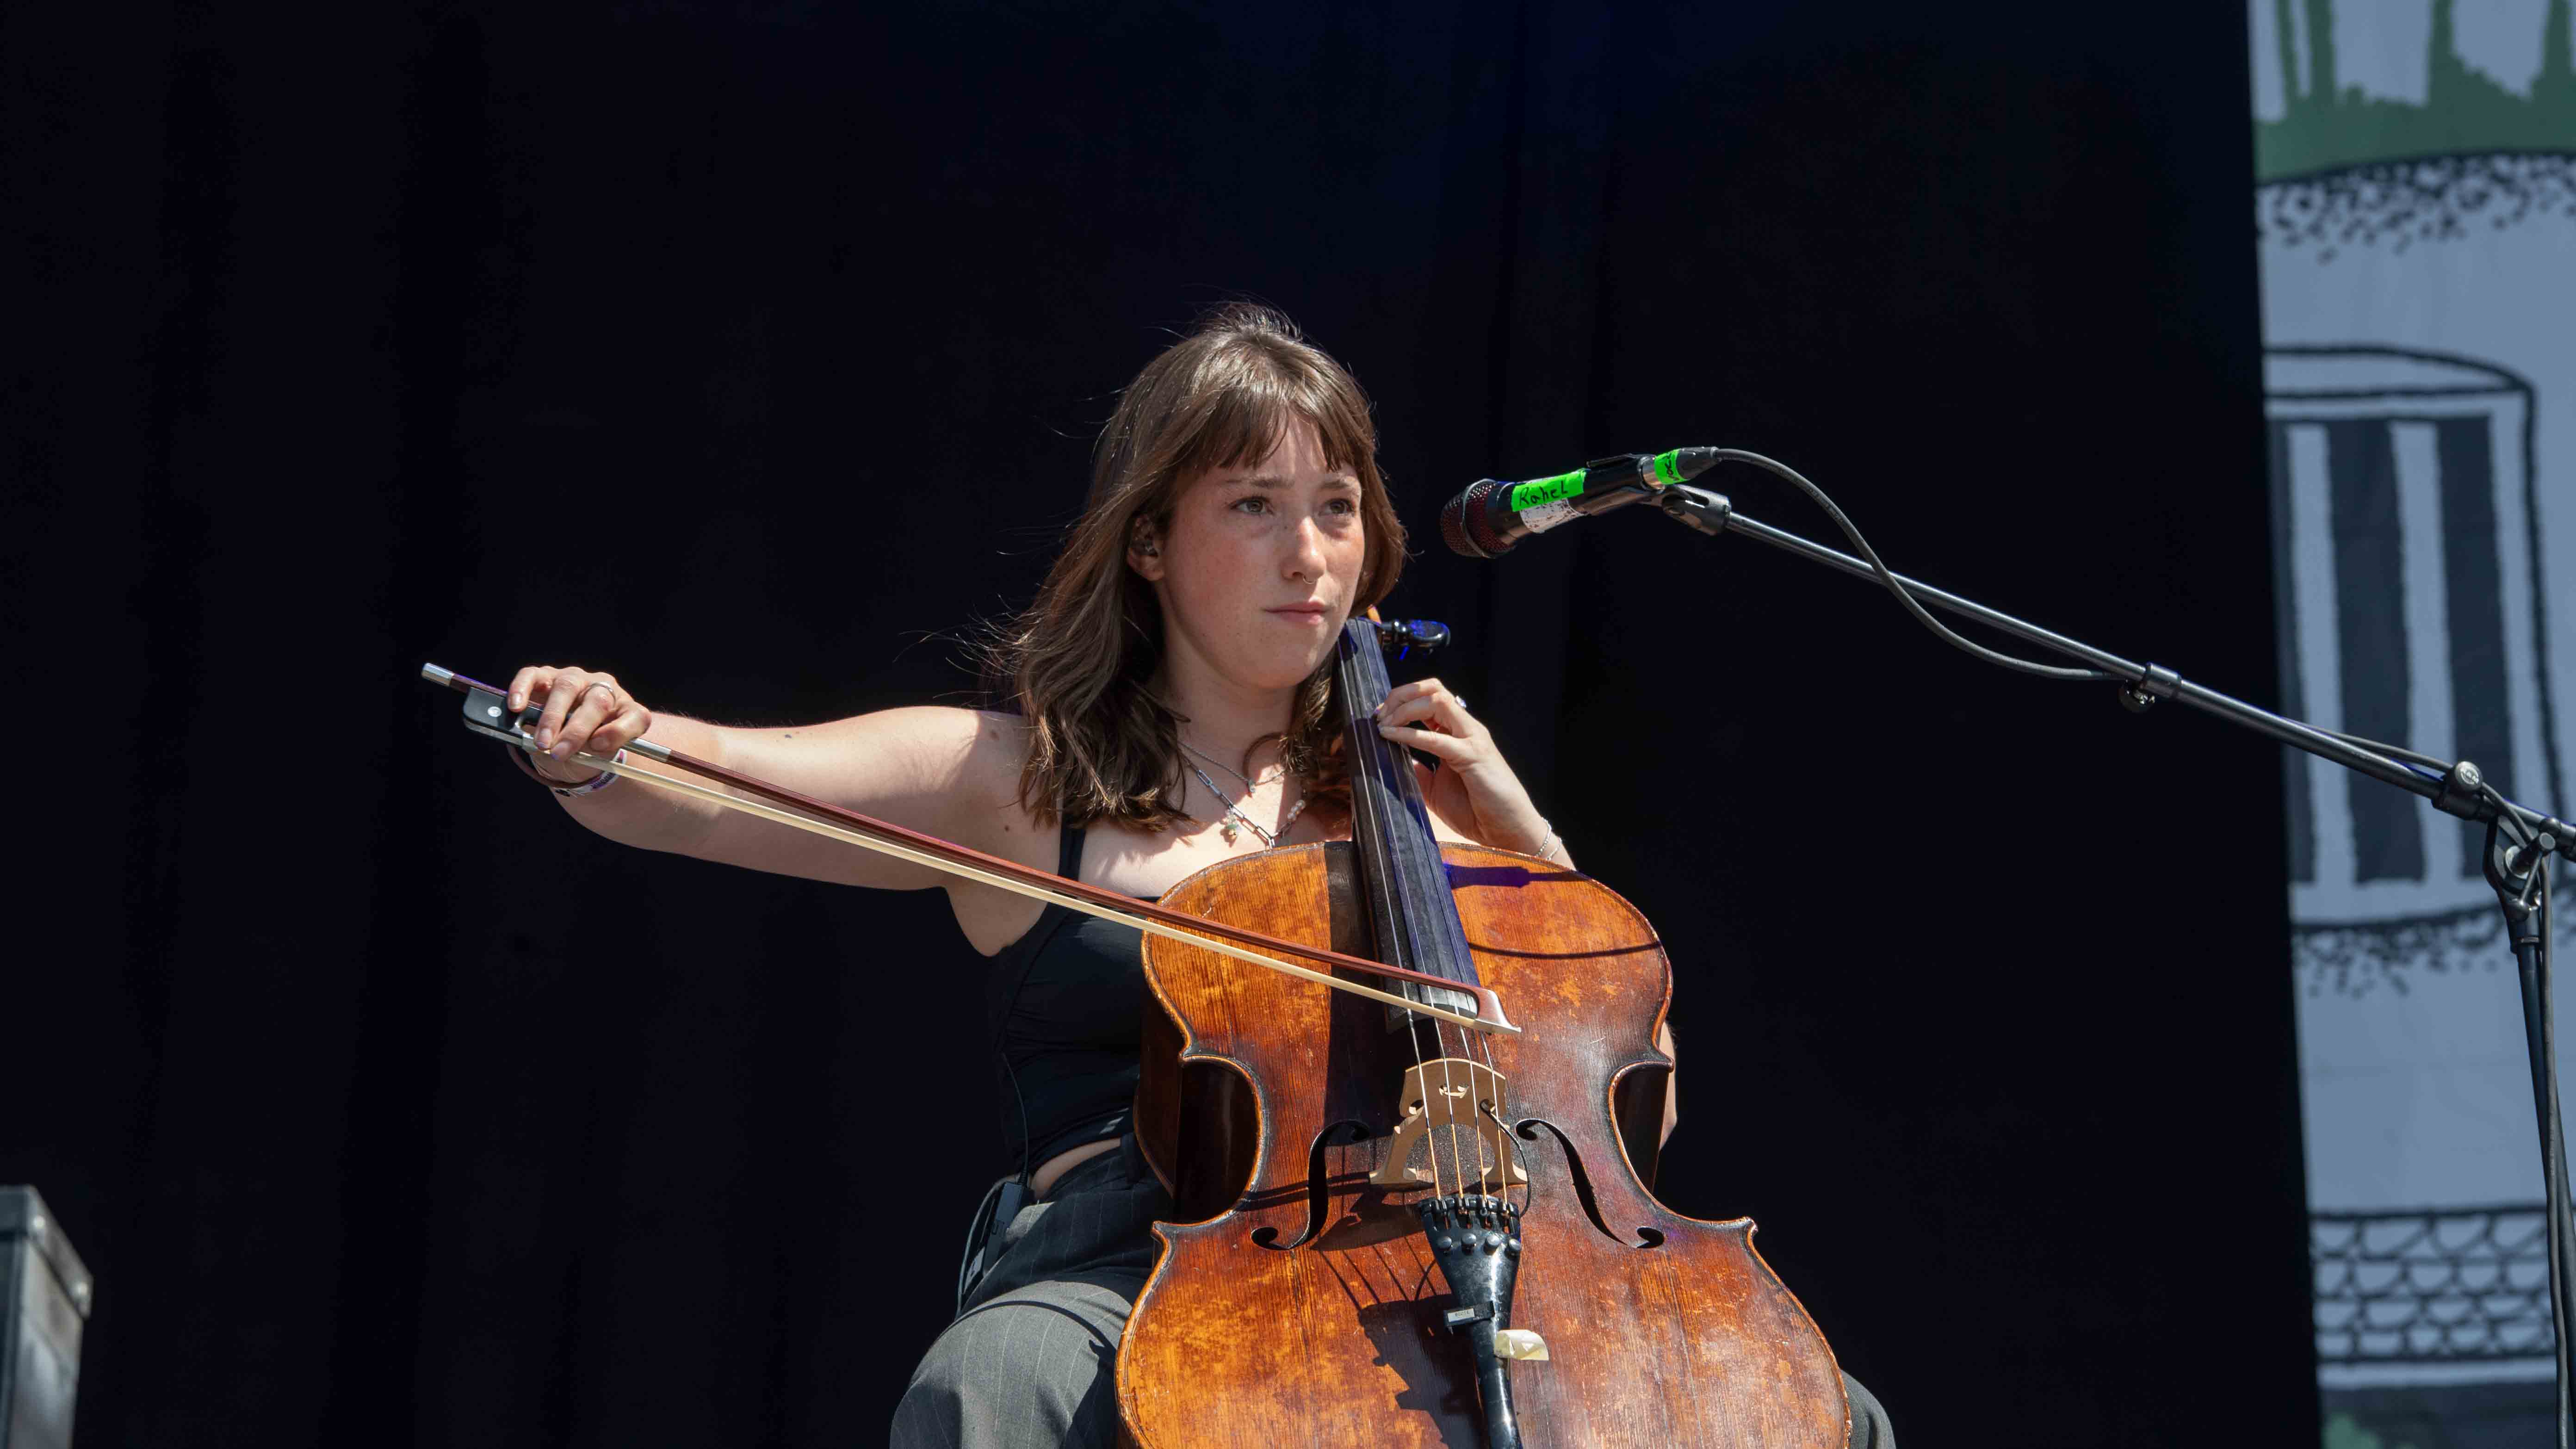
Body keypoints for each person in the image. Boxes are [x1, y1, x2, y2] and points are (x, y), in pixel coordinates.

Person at [497, 304, 1893, 1448]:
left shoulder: (1410, 810)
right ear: (1152, 541)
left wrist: (1524, 841)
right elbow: (707, 792)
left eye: (1337, 508)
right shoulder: (1019, 779)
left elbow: (1623, 1096)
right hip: (1126, 1263)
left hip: (1421, 1256)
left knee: (1814, 1405)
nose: (1312, 555)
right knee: (992, 1390)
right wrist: (608, 740)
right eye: (1255, 505)